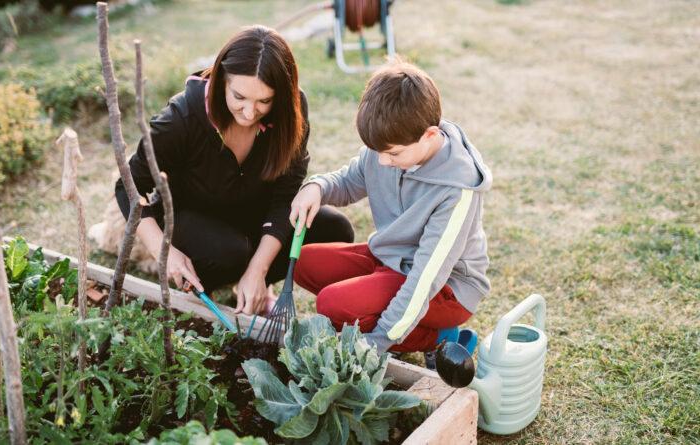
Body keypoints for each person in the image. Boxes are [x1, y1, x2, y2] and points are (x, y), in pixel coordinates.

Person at [115, 25, 354, 315]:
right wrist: (164, 252)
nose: (250, 113)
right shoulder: (182, 118)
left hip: (255, 217)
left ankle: (252, 283)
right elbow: (128, 186)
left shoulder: (291, 112)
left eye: (264, 101)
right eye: (239, 97)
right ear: (221, 81)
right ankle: (214, 279)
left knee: (334, 229)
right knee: (230, 252)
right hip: (194, 223)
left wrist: (259, 270)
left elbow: (285, 195)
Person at [289, 60, 492, 353]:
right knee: (304, 263)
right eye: (377, 151)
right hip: (391, 259)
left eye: (393, 153)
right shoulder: (389, 145)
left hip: (445, 288)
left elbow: (425, 279)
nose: (383, 162)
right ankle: (384, 307)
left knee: (332, 304)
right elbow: (349, 181)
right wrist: (317, 187)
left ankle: (440, 337)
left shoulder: (457, 191)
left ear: (430, 136)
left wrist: (375, 342)